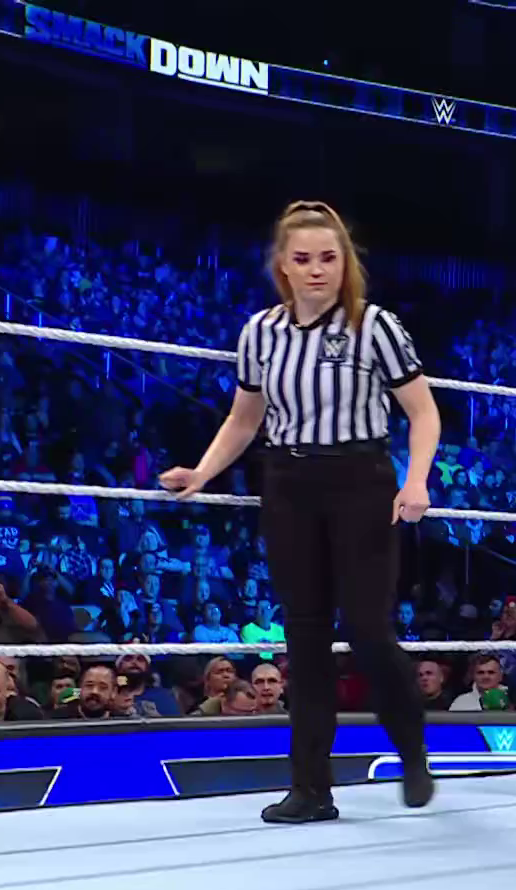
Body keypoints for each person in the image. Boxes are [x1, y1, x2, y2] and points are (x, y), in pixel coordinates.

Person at [162, 200, 441, 823]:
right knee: (304, 635)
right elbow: (244, 418)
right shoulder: (260, 332)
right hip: (288, 482)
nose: (317, 270)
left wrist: (416, 479)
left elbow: (423, 411)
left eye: (328, 258)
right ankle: (311, 788)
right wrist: (203, 472)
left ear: (345, 264)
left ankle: (412, 750)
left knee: (368, 631)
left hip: (360, 479)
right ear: (283, 266)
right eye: (304, 258)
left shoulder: (376, 326)